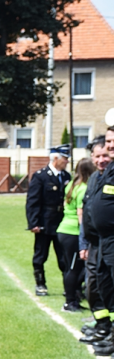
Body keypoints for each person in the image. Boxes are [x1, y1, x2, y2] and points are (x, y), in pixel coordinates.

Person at [26, 144, 72, 296]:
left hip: (62, 223)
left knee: (64, 257)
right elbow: (33, 201)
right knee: (40, 255)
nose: (67, 162)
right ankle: (40, 284)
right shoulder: (41, 176)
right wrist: (33, 223)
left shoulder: (66, 177)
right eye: (65, 158)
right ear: (55, 158)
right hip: (44, 222)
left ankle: (69, 287)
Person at [79, 135, 112, 342]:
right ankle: (101, 325)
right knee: (94, 286)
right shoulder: (94, 179)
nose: (101, 160)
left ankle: (108, 331)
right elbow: (86, 213)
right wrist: (84, 243)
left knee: (107, 287)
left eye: (105, 155)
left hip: (108, 242)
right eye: (97, 156)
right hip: (94, 243)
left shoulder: (110, 175)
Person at [56, 158, 95, 312]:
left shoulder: (72, 185)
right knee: (74, 268)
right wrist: (85, 235)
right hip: (72, 232)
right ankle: (69, 301)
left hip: (64, 230)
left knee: (70, 267)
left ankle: (73, 297)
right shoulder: (84, 188)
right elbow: (81, 213)